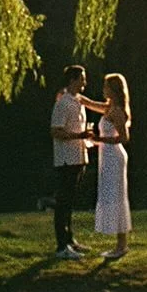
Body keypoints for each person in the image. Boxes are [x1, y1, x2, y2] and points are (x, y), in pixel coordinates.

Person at [49, 64, 106, 259]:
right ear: (72, 80)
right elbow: (56, 131)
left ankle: (69, 239)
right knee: (63, 201)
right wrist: (80, 135)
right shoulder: (63, 103)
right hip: (66, 158)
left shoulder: (77, 101)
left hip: (79, 156)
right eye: (82, 78)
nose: (85, 82)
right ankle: (61, 246)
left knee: (70, 200)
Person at [91, 71, 132, 258]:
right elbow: (92, 104)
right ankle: (119, 244)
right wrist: (76, 98)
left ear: (113, 90)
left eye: (106, 86)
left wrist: (100, 139)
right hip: (106, 157)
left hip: (114, 157)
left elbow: (124, 138)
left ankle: (121, 245)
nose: (103, 89)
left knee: (117, 197)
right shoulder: (109, 108)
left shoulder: (117, 112)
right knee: (111, 196)